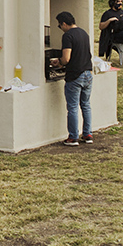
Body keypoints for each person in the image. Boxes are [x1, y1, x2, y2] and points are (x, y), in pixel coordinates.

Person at [53, 11, 93, 146]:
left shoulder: (68, 36)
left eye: (60, 26)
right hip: (88, 73)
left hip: (75, 76)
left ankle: (73, 137)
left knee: (73, 107)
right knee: (86, 105)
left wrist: (58, 61)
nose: (61, 28)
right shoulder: (83, 33)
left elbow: (66, 58)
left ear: (64, 23)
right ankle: (87, 134)